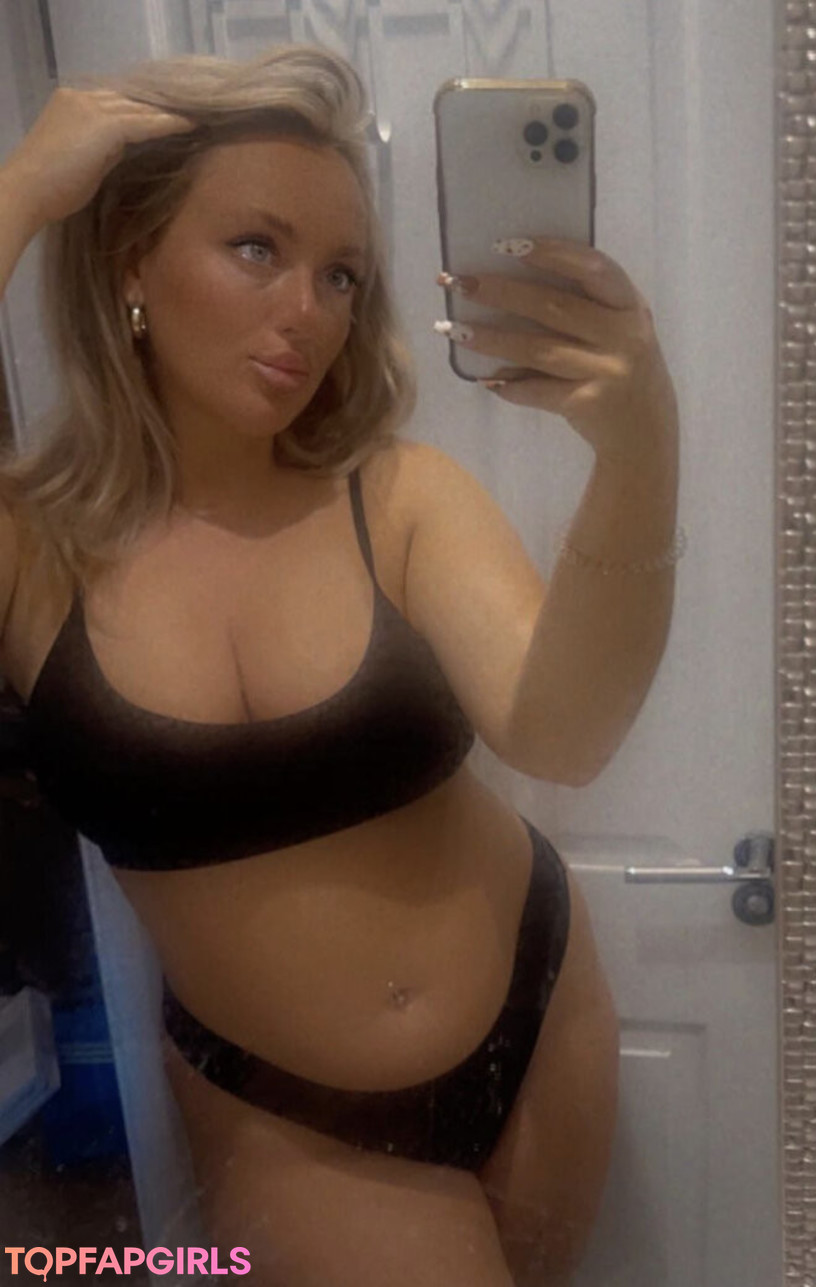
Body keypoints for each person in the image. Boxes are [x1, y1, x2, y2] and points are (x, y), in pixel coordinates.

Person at [0, 44, 681, 1287]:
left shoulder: (399, 494)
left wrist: (639, 448)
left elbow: (566, 736)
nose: (309, 311)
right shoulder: (31, 550)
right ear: (131, 261)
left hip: (541, 1000)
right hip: (288, 1113)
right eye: (256, 248)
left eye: (342, 274)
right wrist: (18, 196)